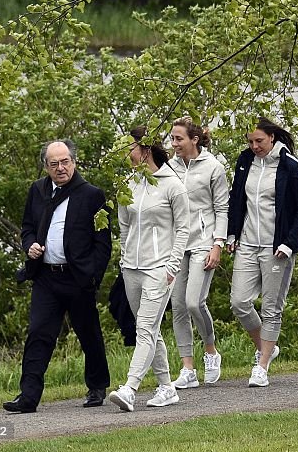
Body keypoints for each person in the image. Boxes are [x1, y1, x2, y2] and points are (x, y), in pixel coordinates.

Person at [4, 140, 111, 414]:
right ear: (46, 166)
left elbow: (103, 243)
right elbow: (27, 227)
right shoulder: (37, 190)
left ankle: (97, 386)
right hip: (46, 277)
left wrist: (93, 277)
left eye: (65, 162)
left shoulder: (92, 195)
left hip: (77, 278)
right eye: (54, 164)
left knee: (88, 334)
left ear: (74, 162)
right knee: (39, 332)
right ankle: (28, 396)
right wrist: (29, 245)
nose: (61, 168)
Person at [227, 117, 298, 388]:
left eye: (259, 141)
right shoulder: (245, 162)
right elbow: (236, 200)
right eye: (250, 141)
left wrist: (289, 242)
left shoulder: (290, 165)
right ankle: (267, 346)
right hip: (248, 243)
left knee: (271, 308)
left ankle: (261, 366)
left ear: (272, 138)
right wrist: (232, 234)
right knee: (239, 302)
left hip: (277, 248)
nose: (255, 146)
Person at [109, 127, 190, 412]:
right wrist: (124, 257)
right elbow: (124, 224)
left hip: (160, 268)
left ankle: (130, 388)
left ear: (144, 149)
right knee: (150, 330)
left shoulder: (172, 184)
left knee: (144, 327)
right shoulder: (128, 183)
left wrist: (173, 265)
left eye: (129, 147)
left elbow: (183, 228)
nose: (125, 153)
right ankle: (167, 387)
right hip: (131, 267)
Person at [167, 117, 229, 389]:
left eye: (179, 139)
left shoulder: (214, 168)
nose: (174, 144)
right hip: (177, 244)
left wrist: (218, 243)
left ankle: (211, 351)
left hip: (204, 241)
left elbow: (222, 208)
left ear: (194, 139)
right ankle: (187, 368)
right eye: (172, 139)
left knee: (194, 302)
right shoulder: (169, 167)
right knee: (178, 306)